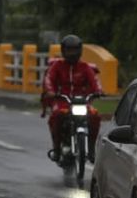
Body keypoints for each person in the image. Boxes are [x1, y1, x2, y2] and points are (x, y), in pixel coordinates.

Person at [41, 34, 103, 162]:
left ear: (80, 50)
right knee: (56, 115)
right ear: (63, 51)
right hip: (62, 101)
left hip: (82, 101)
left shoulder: (85, 67)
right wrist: (51, 91)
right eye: (69, 50)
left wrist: (99, 91)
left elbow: (95, 81)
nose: (72, 53)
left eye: (75, 50)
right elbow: (49, 79)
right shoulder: (57, 66)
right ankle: (56, 149)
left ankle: (91, 149)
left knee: (94, 115)